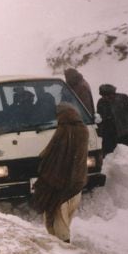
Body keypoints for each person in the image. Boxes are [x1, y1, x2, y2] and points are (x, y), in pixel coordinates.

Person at [32, 103, 89, 243]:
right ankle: (59, 245)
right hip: (77, 182)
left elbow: (51, 154)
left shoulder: (65, 130)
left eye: (58, 115)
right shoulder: (83, 129)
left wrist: (43, 167)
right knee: (65, 217)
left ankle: (63, 248)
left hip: (61, 183)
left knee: (58, 217)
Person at [96, 84, 128, 155]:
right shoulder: (101, 102)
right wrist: (100, 131)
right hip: (109, 135)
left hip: (126, 132)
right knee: (108, 156)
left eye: (107, 95)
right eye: (103, 96)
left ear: (113, 93)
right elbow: (99, 118)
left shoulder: (123, 99)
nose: (105, 97)